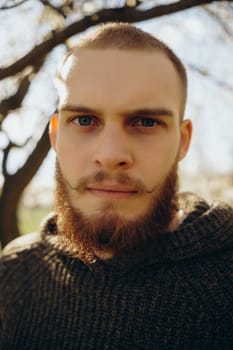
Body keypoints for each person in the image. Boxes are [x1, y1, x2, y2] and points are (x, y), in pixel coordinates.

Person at [0, 22, 232, 350]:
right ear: (55, 136)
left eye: (146, 122)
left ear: (182, 141)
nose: (111, 156)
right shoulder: (13, 272)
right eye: (83, 120)